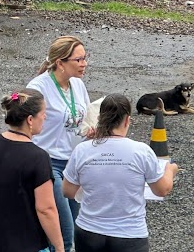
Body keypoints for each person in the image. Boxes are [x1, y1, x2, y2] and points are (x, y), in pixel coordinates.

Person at [62, 94, 179, 252]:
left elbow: (68, 191)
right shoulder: (141, 151)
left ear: (100, 118)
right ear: (127, 120)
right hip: (129, 235)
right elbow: (161, 189)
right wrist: (170, 170)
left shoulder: (82, 150)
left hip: (89, 232)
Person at [0, 89, 64, 252]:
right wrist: (60, 247)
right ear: (30, 119)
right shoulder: (38, 158)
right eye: (43, 113)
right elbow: (45, 209)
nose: (45, 117)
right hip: (27, 244)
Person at [27, 36, 92, 252]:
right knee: (62, 232)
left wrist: (90, 130)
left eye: (85, 58)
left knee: (74, 224)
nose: (84, 64)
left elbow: (82, 119)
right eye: (79, 59)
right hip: (48, 163)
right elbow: (24, 124)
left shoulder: (78, 85)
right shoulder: (38, 87)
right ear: (60, 63)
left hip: (74, 162)